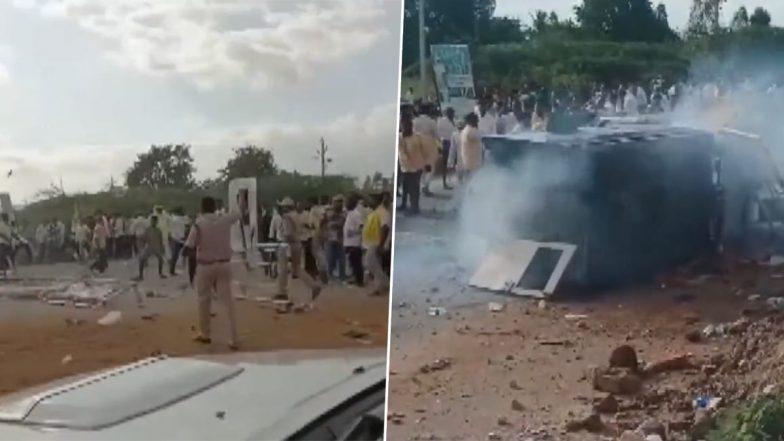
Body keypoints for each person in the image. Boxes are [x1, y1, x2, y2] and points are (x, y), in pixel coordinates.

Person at [185, 195, 248, 350]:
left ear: (202, 208)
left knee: (203, 301)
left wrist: (191, 270)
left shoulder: (198, 225)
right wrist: (242, 197)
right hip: (224, 264)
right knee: (228, 302)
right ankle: (234, 338)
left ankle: (205, 333)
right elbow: (241, 211)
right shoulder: (225, 219)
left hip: (205, 266)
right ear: (214, 207)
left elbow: (189, 247)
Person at [276, 197, 322, 301]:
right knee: (297, 268)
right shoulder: (297, 216)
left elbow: (288, 234)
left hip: (288, 244)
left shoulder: (287, 217)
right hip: (297, 243)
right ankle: (313, 286)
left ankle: (282, 292)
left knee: (283, 268)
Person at [362, 193, 390, 296]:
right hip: (371, 243)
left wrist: (381, 245)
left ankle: (385, 283)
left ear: (376, 201)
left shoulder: (383, 213)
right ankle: (379, 288)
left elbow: (385, 228)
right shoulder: (375, 212)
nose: (369, 202)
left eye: (370, 200)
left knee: (370, 264)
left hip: (376, 243)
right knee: (375, 265)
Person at [398, 114, 426, 215]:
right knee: (406, 188)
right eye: (403, 126)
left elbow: (423, 151)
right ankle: (405, 205)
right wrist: (409, 165)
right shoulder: (400, 138)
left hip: (417, 167)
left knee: (414, 188)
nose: (406, 128)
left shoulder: (417, 137)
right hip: (406, 168)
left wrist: (425, 163)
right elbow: (402, 154)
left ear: (411, 126)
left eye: (408, 126)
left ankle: (415, 207)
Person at [414, 104, 439, 196]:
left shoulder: (414, 121)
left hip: (417, 143)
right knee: (430, 167)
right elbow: (436, 134)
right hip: (429, 144)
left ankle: (422, 185)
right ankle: (425, 186)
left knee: (421, 166)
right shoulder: (431, 122)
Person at [343, 194, 364, 286]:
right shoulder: (349, 213)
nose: (345, 204)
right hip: (348, 242)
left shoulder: (356, 214)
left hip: (354, 242)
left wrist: (353, 232)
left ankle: (359, 280)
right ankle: (355, 278)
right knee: (352, 261)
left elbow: (361, 227)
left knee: (356, 262)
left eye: (347, 202)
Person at [137, 215, 166, 281]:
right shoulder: (148, 229)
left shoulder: (159, 230)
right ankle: (141, 275)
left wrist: (162, 247)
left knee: (161, 260)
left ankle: (160, 273)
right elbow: (144, 238)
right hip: (149, 247)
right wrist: (141, 243)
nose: (153, 222)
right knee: (142, 260)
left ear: (157, 222)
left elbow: (161, 240)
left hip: (157, 247)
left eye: (154, 221)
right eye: (152, 221)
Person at [324, 195, 347, 282]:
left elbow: (342, 223)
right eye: (336, 202)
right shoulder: (328, 211)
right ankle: (330, 276)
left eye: (340, 202)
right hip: (329, 237)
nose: (338, 204)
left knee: (341, 259)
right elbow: (323, 222)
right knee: (330, 258)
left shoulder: (344, 212)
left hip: (340, 238)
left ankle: (342, 276)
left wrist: (333, 222)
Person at [436, 107, 456, 190]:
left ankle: (447, 181)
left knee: (449, 163)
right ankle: (445, 182)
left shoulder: (450, 122)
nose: (453, 115)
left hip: (450, 142)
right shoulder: (443, 121)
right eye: (452, 113)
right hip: (445, 143)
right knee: (446, 163)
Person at [460, 112, 483, 181]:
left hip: (467, 158)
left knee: (468, 178)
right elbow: (481, 137)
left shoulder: (465, 130)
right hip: (473, 159)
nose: (477, 122)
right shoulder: (472, 131)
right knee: (473, 179)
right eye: (476, 120)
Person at [169, 207, 187, 276]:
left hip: (175, 238)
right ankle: (172, 270)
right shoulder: (179, 219)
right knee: (176, 255)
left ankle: (172, 269)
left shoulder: (174, 218)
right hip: (177, 238)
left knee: (176, 255)